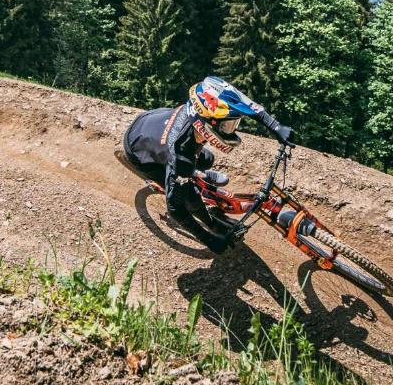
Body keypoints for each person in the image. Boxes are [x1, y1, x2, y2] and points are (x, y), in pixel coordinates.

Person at [121, 76, 294, 254]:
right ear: (204, 123)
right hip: (139, 151)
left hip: (150, 122)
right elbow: (175, 209)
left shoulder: (202, 105)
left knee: (207, 159)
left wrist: (275, 126)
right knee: (190, 197)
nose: (232, 129)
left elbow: (239, 99)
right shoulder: (181, 155)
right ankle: (211, 221)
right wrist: (209, 239)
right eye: (227, 125)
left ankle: (196, 174)